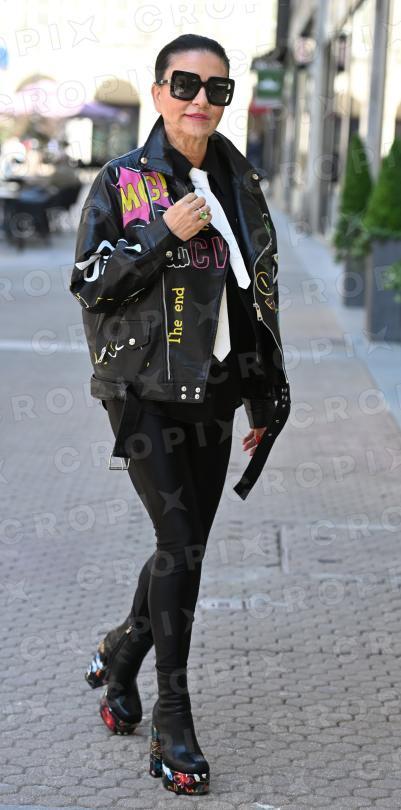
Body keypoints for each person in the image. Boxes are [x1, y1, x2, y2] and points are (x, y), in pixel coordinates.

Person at [70, 34, 291, 796]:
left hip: (215, 389)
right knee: (178, 543)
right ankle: (173, 719)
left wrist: (266, 390)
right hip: (142, 390)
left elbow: (256, 295)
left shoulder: (239, 180)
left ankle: (121, 650)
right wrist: (166, 232)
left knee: (185, 546)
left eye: (215, 89)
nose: (200, 100)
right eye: (185, 84)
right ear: (160, 91)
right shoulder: (123, 179)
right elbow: (90, 281)